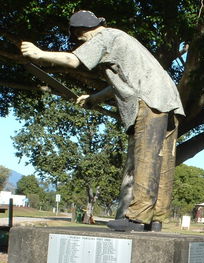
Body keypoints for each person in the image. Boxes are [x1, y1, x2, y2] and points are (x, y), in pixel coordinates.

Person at [21, 10, 185, 232]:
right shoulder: (123, 39)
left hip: (149, 101)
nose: (80, 41)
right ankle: (155, 219)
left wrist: (40, 54)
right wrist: (93, 98)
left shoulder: (105, 37)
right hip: (169, 100)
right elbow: (119, 83)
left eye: (79, 37)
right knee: (162, 161)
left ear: (81, 32)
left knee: (145, 157)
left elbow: (73, 59)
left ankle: (136, 219)